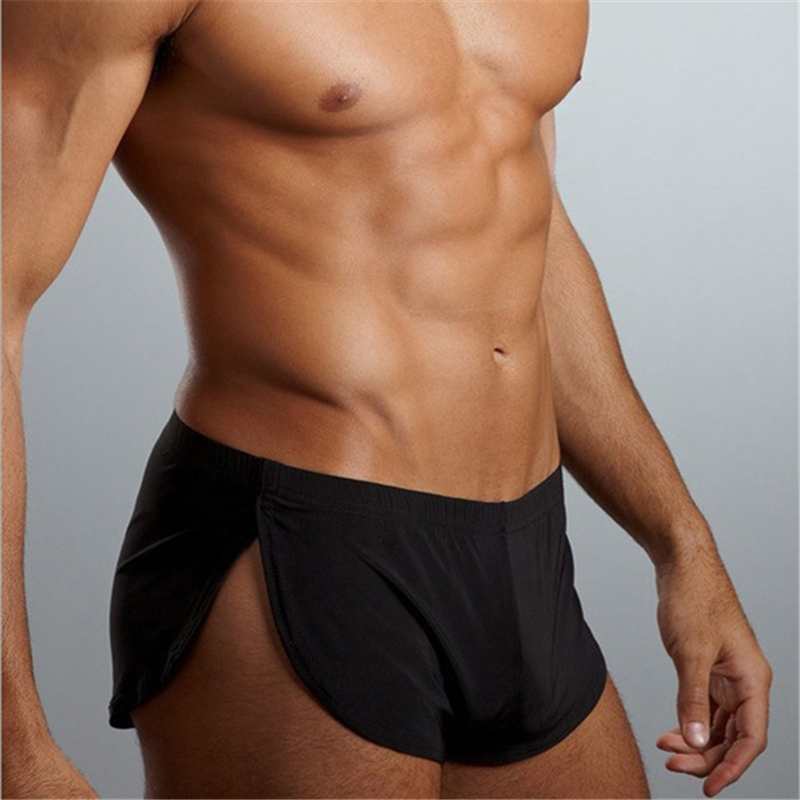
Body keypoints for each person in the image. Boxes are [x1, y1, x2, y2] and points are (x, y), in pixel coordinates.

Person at [3, 1, 772, 798]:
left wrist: (683, 545)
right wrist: (14, 749)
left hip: (525, 555)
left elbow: (523, 232)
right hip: (297, 548)